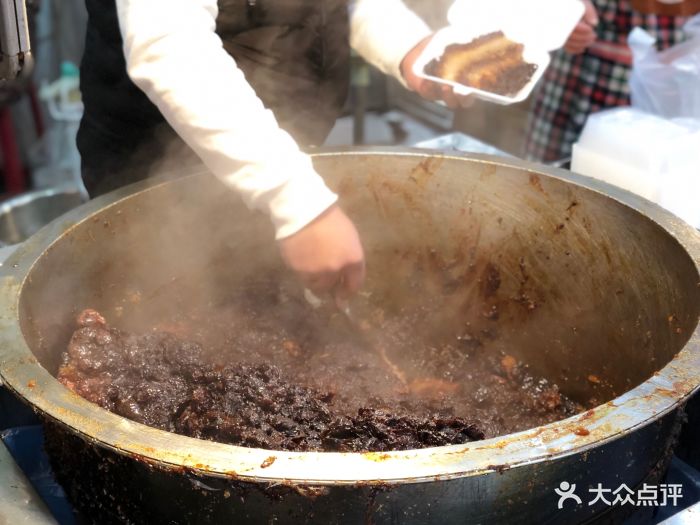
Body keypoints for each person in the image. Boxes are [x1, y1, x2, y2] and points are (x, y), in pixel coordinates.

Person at [77, 0, 467, 304]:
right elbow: (169, 43)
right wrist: (296, 202)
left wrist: (406, 43)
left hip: (283, 157)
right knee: (165, 324)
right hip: (162, 176)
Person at [525, 0, 689, 163]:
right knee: (543, 174)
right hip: (580, 66)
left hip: (671, 68)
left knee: (640, 174)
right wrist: (562, 10)